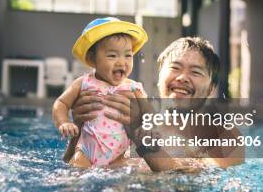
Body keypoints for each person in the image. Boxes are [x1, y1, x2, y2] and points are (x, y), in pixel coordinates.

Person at [69, 37, 244, 171]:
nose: (182, 77)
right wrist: (79, 131)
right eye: (175, 68)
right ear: (159, 77)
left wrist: (139, 135)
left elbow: (200, 182)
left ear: (211, 88)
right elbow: (81, 168)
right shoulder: (127, 117)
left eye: (195, 72)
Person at [53, 17, 148, 167]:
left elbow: (150, 115)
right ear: (92, 59)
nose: (121, 62)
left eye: (128, 55)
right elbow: (61, 103)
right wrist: (64, 122)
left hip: (120, 155)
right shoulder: (84, 83)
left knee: (126, 177)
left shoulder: (133, 88)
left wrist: (145, 125)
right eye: (112, 55)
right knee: (75, 173)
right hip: (86, 151)